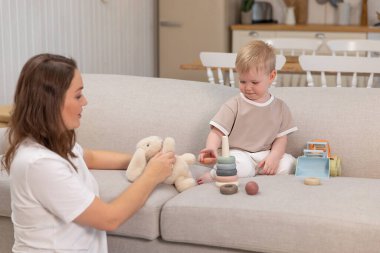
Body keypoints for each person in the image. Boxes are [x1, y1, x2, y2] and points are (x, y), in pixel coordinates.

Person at [1, 53, 175, 252]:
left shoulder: (53, 141)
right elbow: (110, 218)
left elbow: (89, 157)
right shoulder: (39, 164)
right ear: (51, 102)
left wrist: (142, 159)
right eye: (77, 95)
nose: (85, 102)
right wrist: (152, 175)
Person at [198, 40, 298, 184]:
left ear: (271, 76)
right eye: (243, 81)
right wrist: (211, 148)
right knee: (241, 166)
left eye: (254, 82)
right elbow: (216, 132)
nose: (248, 87)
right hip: (238, 153)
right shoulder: (234, 104)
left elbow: (281, 139)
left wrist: (274, 157)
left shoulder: (280, 107)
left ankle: (257, 171)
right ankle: (214, 175)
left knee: (290, 164)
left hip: (264, 155)